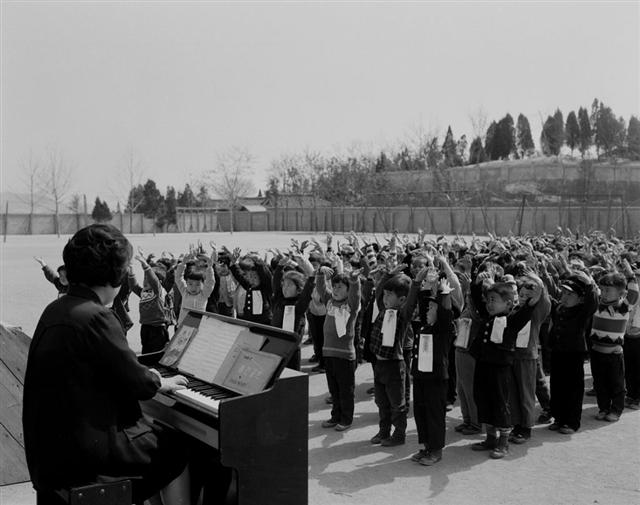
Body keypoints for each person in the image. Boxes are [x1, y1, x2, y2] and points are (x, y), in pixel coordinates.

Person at [23, 224, 191, 505]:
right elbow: (139, 382)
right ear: (115, 273)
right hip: (87, 456)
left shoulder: (57, 309)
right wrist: (160, 380)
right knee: (177, 447)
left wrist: (144, 375)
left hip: (51, 452)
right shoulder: (97, 316)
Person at [469, 279, 538, 459]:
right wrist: (476, 284)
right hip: (483, 365)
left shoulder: (510, 320)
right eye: (489, 299)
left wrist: (531, 302)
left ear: (508, 303)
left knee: (500, 404)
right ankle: (490, 438)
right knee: (483, 399)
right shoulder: (489, 317)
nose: (489, 304)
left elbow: (525, 314)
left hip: (499, 369)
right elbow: (477, 300)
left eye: (494, 300)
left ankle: (503, 441)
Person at [368, 265, 422, 447]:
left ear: (401, 300)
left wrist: (416, 283)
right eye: (385, 294)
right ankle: (384, 432)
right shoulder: (384, 309)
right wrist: (389, 274)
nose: (385, 298)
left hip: (394, 365)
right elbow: (378, 295)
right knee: (381, 402)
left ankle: (399, 435)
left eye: (389, 295)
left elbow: (412, 302)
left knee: (397, 405)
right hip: (379, 365)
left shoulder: (401, 315)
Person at [410, 278, 455, 466]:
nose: (426, 312)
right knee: (420, 412)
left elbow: (445, 314)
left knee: (434, 414)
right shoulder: (425, 326)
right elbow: (423, 307)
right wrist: (426, 288)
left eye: (431, 309)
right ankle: (427, 446)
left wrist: (444, 294)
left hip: (436, 378)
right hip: (421, 376)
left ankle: (436, 450)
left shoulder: (442, 329)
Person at [548, 272, 598, 433]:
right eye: (564, 293)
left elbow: (593, 303)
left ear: (580, 298)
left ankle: (571, 421)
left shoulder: (582, 311)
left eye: (570, 294)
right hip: (557, 352)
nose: (565, 296)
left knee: (573, 389)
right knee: (557, 387)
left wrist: (589, 283)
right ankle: (559, 418)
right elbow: (546, 296)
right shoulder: (559, 308)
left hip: (573, 355)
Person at [316, 265, 361, 431]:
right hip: (328, 353)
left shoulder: (351, 305)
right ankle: (335, 416)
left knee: (345, 391)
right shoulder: (329, 301)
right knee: (334, 389)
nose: (335, 289)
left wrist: (354, 281)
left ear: (348, 290)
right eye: (334, 286)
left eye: (340, 287)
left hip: (344, 356)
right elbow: (321, 288)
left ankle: (346, 419)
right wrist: (321, 273)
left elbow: (356, 296)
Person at [590, 271, 638, 422]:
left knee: (616, 384)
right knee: (599, 383)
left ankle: (616, 410)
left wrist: (630, 276)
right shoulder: (598, 304)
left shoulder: (622, 307)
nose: (603, 293)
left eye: (608, 290)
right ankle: (603, 408)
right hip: (596, 352)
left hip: (613, 354)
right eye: (602, 289)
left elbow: (634, 294)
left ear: (621, 292)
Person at [270, 254, 315, 370]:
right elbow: (276, 284)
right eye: (283, 285)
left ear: (298, 289)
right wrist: (280, 266)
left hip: (292, 349)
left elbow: (308, 289)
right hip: (276, 345)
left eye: (289, 285)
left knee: (292, 377)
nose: (285, 288)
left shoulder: (299, 305)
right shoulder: (279, 301)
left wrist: (308, 270)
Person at [128, 250, 172, 365]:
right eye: (144, 279)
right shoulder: (144, 292)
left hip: (158, 329)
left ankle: (159, 373)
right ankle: (147, 371)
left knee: (157, 355)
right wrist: (131, 271)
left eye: (148, 280)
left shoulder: (158, 291)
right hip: (145, 327)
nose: (146, 282)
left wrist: (146, 266)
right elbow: (133, 286)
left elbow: (154, 280)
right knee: (146, 352)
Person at [174, 252, 216, 326]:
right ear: (186, 282)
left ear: (203, 284)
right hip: (182, 326)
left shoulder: (204, 294)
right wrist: (183, 263)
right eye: (190, 284)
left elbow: (210, 281)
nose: (193, 287)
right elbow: (178, 278)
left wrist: (210, 267)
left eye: (197, 284)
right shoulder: (184, 292)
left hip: (198, 327)